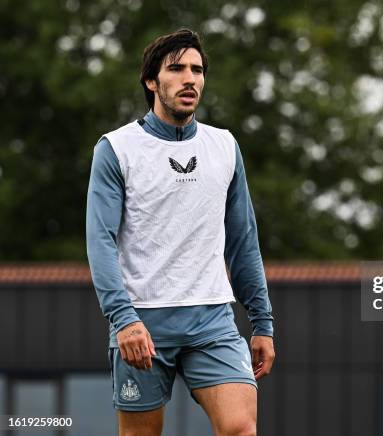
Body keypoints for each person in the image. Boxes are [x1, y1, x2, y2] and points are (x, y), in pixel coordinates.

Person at [86, 28, 275, 436]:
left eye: (198, 70)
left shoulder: (224, 146)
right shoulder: (116, 149)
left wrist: (262, 323)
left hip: (213, 321)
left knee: (241, 429)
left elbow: (243, 241)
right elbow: (99, 241)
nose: (190, 78)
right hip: (143, 324)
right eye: (176, 69)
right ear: (152, 81)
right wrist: (124, 320)